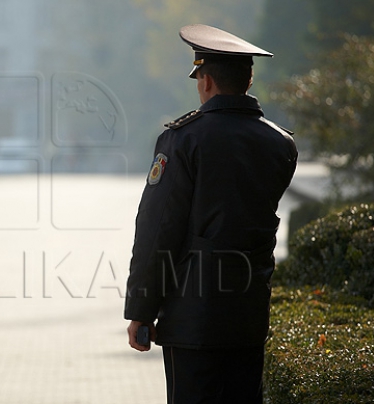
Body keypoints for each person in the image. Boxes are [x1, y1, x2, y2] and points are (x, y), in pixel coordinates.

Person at [124, 24, 298, 404]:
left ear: (205, 81)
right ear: (248, 81)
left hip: (192, 318)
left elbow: (158, 230)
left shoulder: (183, 139)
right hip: (249, 314)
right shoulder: (281, 144)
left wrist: (141, 309)